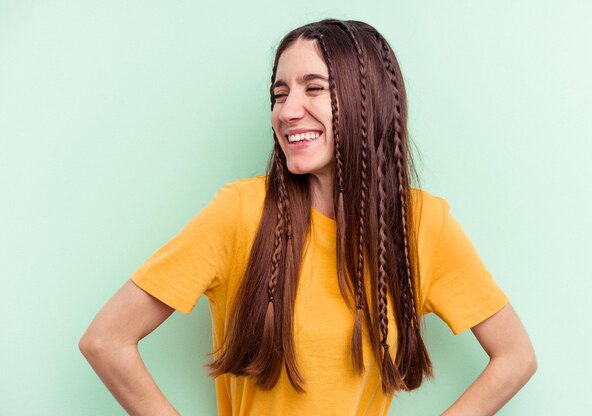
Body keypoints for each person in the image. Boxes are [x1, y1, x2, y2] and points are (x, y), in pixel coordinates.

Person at [79, 18, 537, 416]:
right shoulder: (240, 212)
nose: (287, 111)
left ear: (367, 100)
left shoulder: (422, 225)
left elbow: (515, 357)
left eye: (313, 88)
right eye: (280, 94)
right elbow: (106, 340)